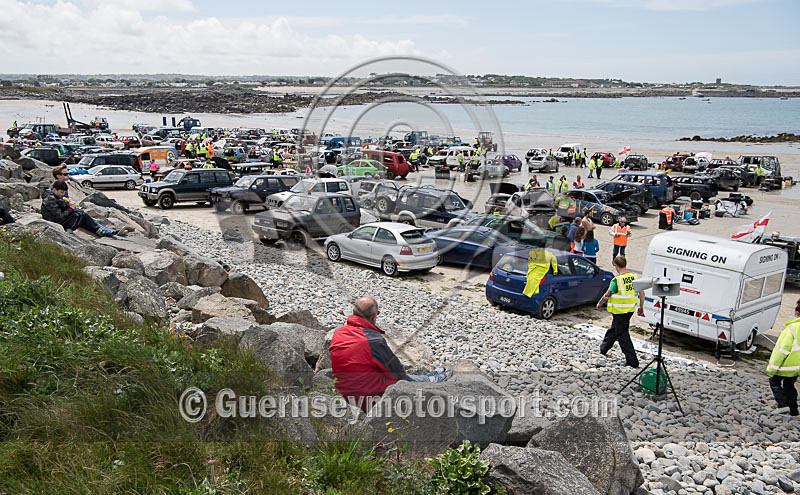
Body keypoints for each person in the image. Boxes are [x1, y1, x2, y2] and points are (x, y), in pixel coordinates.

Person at [329, 296, 452, 410]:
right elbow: (399, 373)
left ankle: (430, 377)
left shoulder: (339, 333)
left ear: (353, 312)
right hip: (367, 399)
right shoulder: (373, 340)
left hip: (343, 392)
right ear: (374, 317)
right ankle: (432, 380)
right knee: (403, 380)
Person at [596, 256, 644, 368]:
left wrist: (600, 303)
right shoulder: (634, 277)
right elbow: (642, 293)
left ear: (616, 266)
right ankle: (604, 348)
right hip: (630, 310)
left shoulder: (616, 280)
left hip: (619, 311)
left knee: (622, 335)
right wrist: (641, 307)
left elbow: (607, 295)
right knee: (615, 328)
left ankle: (632, 361)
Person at [41, 180, 131, 238]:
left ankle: (102, 231)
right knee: (80, 214)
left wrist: (66, 204)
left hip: (57, 219)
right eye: (61, 192)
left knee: (81, 214)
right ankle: (101, 231)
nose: (63, 194)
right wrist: (71, 208)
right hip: (55, 222)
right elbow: (59, 216)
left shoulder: (53, 197)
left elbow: (59, 206)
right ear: (54, 189)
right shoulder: (50, 199)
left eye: (64, 192)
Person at [767, 299, 800, 416]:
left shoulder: (792, 328)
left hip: (786, 365)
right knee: (789, 385)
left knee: (774, 381)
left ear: (797, 312)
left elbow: (781, 351)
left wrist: (771, 368)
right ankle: (793, 410)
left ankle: (783, 405)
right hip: (797, 367)